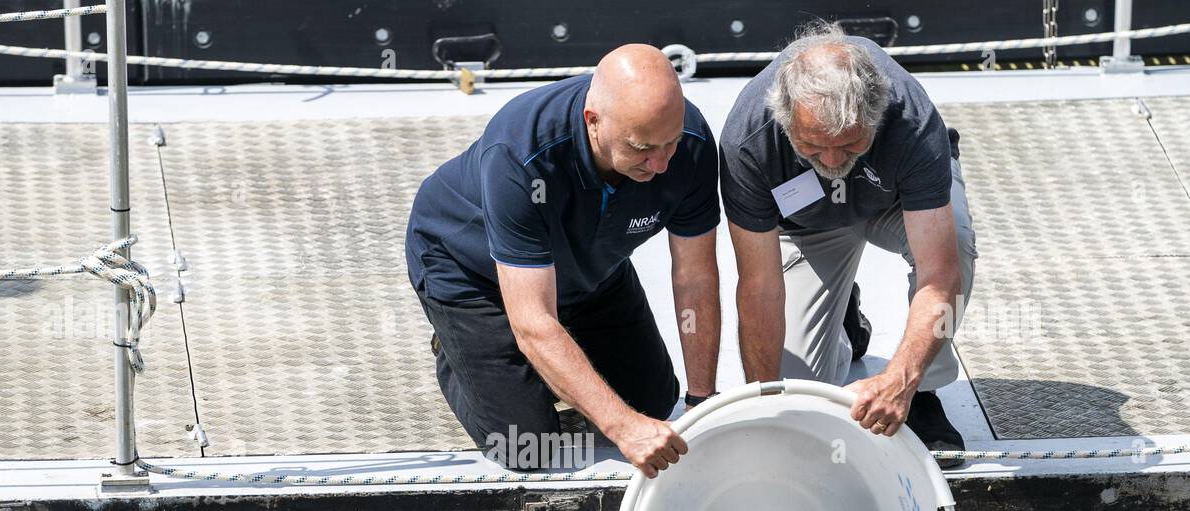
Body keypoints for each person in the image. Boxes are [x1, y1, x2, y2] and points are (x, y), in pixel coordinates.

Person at [406, 44, 722, 477]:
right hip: (474, 273)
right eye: (643, 148)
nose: (662, 164)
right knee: (527, 445)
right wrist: (623, 428)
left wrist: (702, 402)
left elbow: (696, 277)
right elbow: (534, 321)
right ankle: (458, 346)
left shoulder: (691, 145)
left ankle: (563, 352)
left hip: (589, 266)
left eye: (671, 144)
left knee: (653, 403)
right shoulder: (521, 153)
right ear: (594, 122)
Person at [719, 21, 977, 468]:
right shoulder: (747, 141)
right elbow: (759, 286)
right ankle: (844, 323)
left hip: (896, 203)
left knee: (957, 246)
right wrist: (766, 408)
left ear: (876, 114)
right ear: (785, 120)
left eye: (851, 142)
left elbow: (940, 274)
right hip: (809, 222)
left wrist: (901, 380)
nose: (834, 161)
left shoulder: (912, 120)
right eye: (815, 147)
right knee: (799, 397)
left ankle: (924, 391)